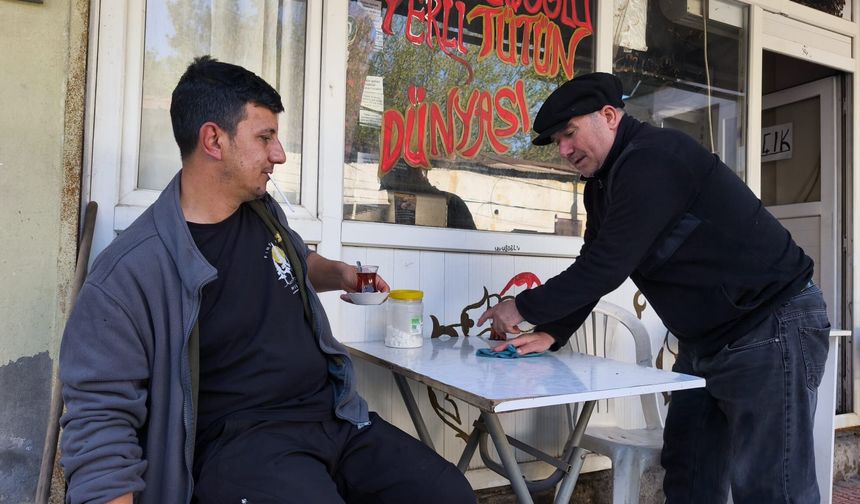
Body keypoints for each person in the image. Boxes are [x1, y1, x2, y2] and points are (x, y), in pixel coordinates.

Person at [59, 56, 476, 504]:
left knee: (450, 494)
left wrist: (340, 275)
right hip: (244, 445)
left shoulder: (262, 213)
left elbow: (296, 260)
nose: (279, 154)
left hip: (333, 417)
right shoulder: (129, 273)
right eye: (265, 137)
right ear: (213, 140)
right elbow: (100, 428)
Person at [477, 72, 831, 503]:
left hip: (769, 324)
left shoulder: (655, 159)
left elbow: (607, 266)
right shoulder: (602, 187)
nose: (564, 150)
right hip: (706, 341)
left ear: (610, 116)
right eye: (557, 141)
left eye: (569, 133)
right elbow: (595, 262)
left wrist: (520, 308)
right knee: (688, 473)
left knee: (772, 489)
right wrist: (554, 330)